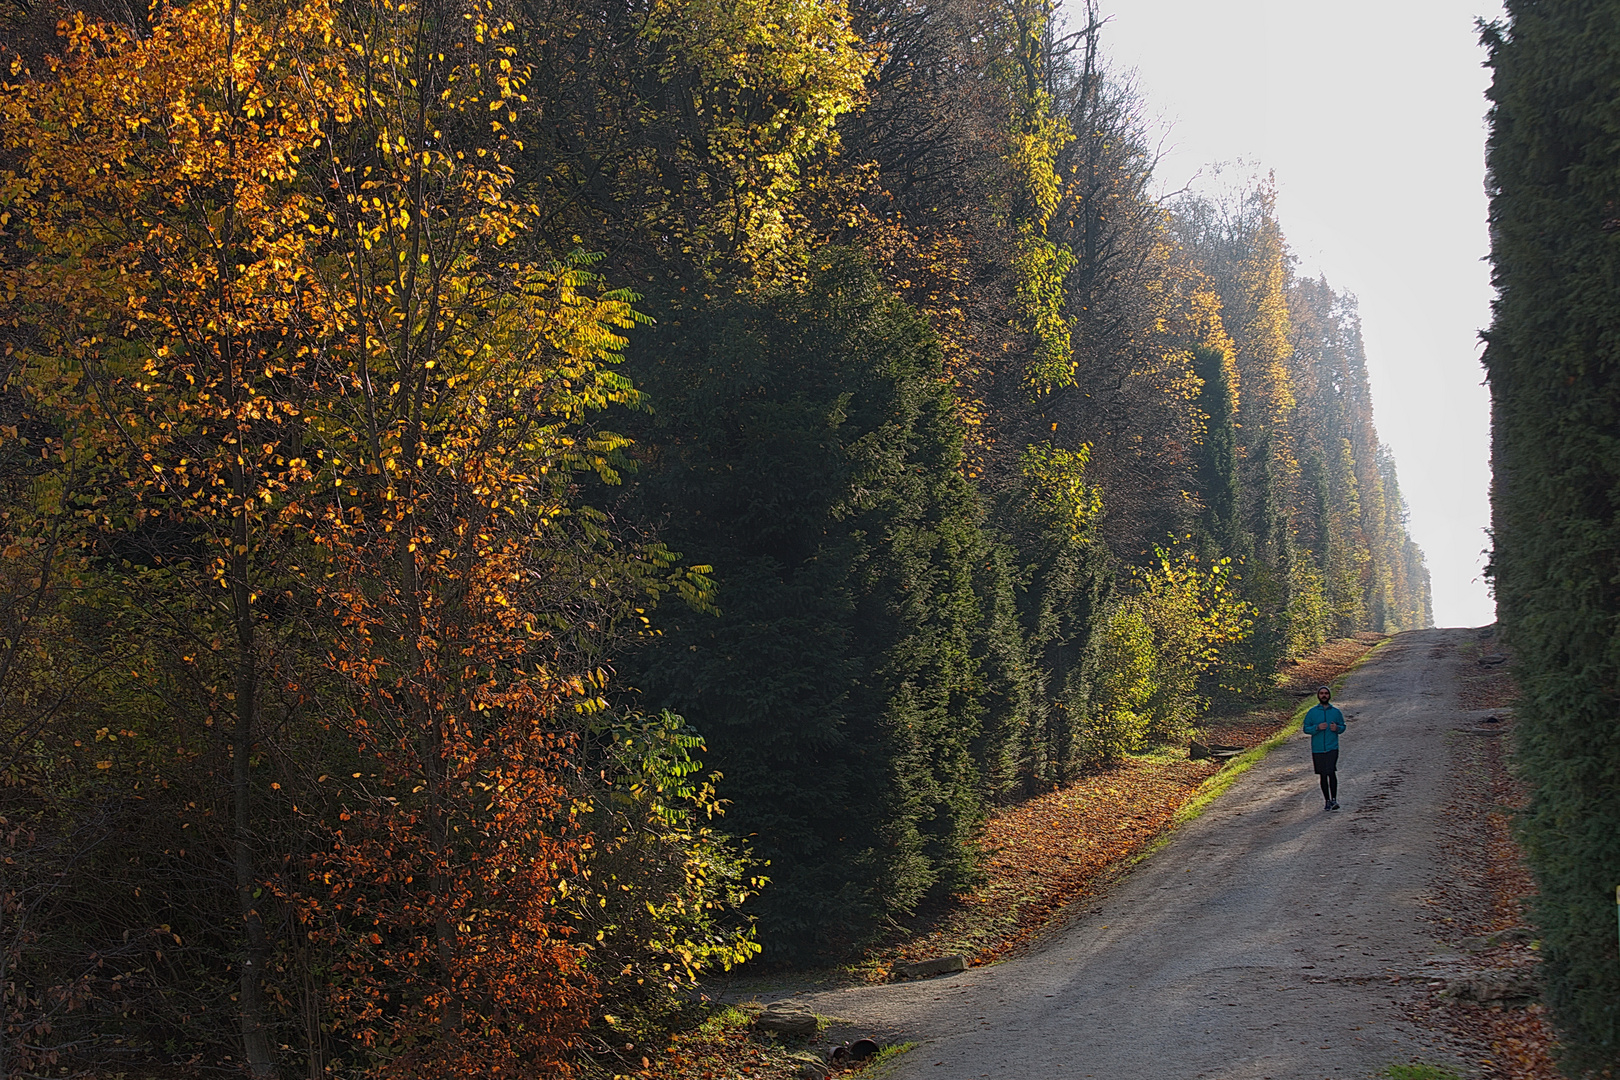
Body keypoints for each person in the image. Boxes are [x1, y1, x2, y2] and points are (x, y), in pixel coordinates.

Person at [1304, 685, 1346, 811]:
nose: (1324, 695)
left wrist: (1337, 729)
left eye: (1326, 693)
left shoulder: (1336, 712)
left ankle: (1334, 799)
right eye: (1321, 693)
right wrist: (1317, 728)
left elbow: (1342, 726)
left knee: (1331, 772)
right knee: (1323, 775)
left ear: (1329, 695)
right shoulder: (1312, 712)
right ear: (1318, 696)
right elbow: (1306, 728)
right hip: (1317, 749)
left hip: (1332, 747)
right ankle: (1327, 800)